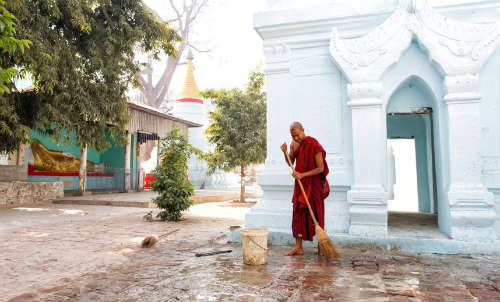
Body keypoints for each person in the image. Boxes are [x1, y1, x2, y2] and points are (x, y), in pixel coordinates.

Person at [280, 122, 330, 256]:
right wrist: (285, 153)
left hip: (314, 185)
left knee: (317, 214)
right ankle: (298, 247)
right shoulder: (294, 145)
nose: (296, 138)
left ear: (303, 130)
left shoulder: (313, 144)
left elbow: (321, 168)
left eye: (297, 135)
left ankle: (322, 247)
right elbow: (290, 161)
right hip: (300, 184)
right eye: (293, 136)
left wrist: (302, 175)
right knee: (298, 213)